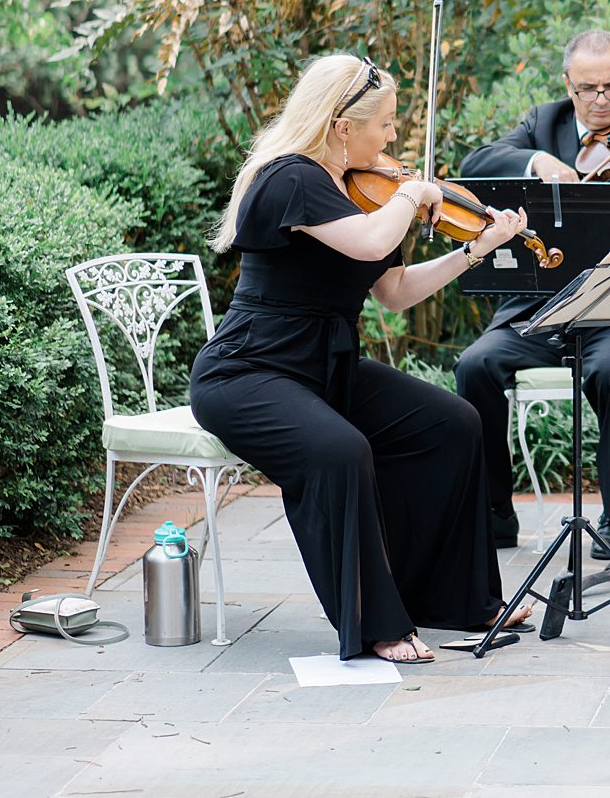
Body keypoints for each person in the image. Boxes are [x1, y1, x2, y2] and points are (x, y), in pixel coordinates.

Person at [188, 54, 535, 663]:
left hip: (327, 367)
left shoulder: (357, 190)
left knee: (451, 423)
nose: (395, 136)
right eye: (387, 123)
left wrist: (476, 250)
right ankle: (377, 625)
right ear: (343, 126)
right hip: (248, 371)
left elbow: (395, 293)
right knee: (340, 451)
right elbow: (374, 240)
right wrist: (412, 195)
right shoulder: (290, 177)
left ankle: (460, 603)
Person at [454, 30, 610, 561]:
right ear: (569, 85)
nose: (601, 99)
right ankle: (494, 515)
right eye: (588, 88)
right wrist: (536, 163)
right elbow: (475, 164)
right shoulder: (544, 124)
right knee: (474, 365)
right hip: (542, 309)